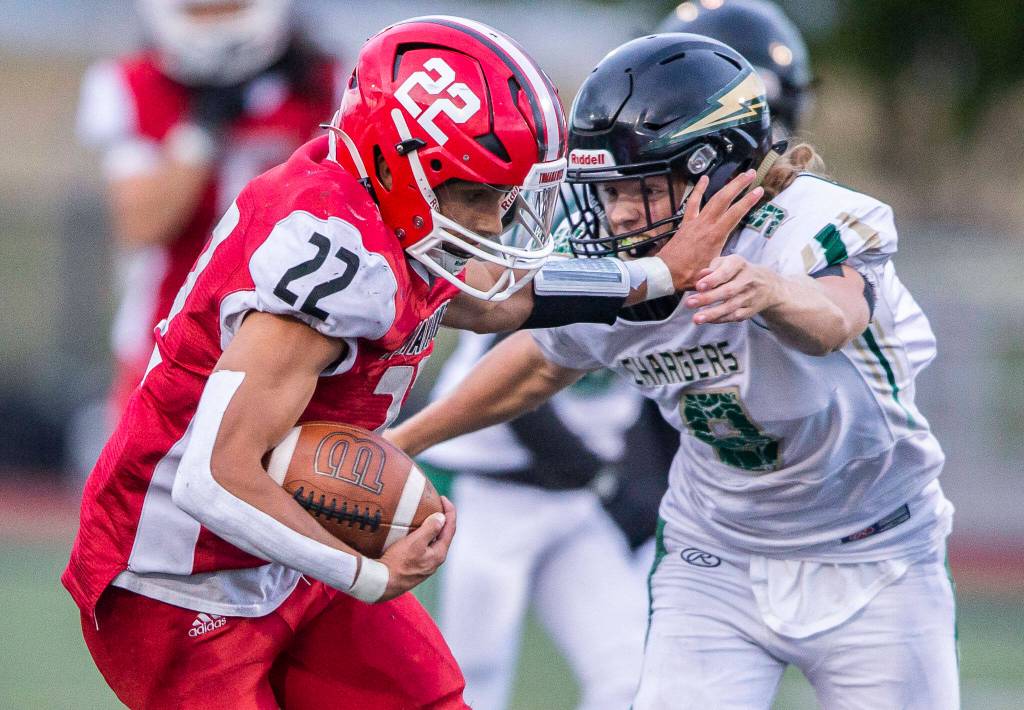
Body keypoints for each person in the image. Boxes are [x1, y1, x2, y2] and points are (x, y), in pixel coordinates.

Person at [62, 17, 763, 709]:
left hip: (284, 549)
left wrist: (658, 276)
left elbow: (499, 299)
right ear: (402, 165)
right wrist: (365, 573)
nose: (492, 225)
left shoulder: (387, 213)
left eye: (505, 198)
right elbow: (215, 476)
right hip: (179, 579)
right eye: (477, 196)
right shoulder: (338, 253)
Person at [389, 33, 958, 710]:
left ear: (711, 169)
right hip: (716, 555)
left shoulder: (801, 222)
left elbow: (837, 318)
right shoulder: (625, 255)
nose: (619, 213)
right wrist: (401, 442)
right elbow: (541, 362)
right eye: (609, 191)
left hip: (876, 548)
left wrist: (772, 294)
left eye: (643, 188)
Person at [413, 5, 816, 706]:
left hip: (582, 496)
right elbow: (526, 343)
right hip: (502, 483)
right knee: (470, 678)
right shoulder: (598, 222)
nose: (620, 211)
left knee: (628, 672)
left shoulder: (790, 237)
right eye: (617, 190)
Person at [77, 0, 343, 418]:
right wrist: (200, 132)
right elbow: (143, 223)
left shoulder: (329, 83)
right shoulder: (129, 82)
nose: (210, 16)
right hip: (165, 336)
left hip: (294, 338)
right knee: (143, 481)